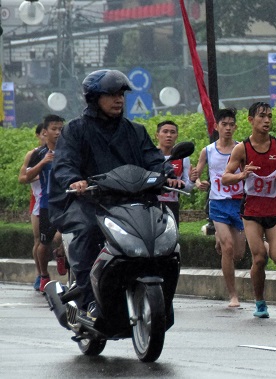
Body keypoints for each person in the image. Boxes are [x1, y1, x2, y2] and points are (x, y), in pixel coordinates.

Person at [49, 69, 184, 319]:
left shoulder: (135, 130)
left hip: (133, 201)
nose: (119, 99)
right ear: (94, 98)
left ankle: (162, 297)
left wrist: (167, 173)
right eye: (111, 94)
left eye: (121, 93)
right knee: (88, 231)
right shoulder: (76, 130)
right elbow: (65, 163)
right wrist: (74, 180)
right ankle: (89, 301)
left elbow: (153, 158)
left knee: (162, 230)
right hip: (91, 202)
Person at [221, 102, 276, 318]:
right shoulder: (242, 148)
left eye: (270, 116)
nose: (267, 120)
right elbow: (226, 177)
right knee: (260, 258)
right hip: (252, 210)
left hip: (274, 208)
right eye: (262, 116)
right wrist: (241, 176)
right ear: (251, 120)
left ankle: (261, 243)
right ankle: (260, 302)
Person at [192, 108, 246, 307]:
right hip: (217, 203)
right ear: (216, 126)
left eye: (232, 124)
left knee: (239, 253)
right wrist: (198, 182)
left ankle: (218, 239)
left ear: (236, 127)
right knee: (228, 248)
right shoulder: (208, 150)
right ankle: (233, 295)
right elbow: (196, 173)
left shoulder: (241, 148)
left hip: (238, 202)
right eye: (224, 124)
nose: (228, 128)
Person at [22, 115, 66, 292]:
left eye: (61, 129)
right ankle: (44, 275)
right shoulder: (37, 154)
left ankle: (62, 254)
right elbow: (24, 178)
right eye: (54, 129)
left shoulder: (69, 151)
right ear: (44, 132)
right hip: (48, 204)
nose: (58, 133)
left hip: (68, 202)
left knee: (68, 236)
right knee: (44, 242)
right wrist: (43, 163)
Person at [18, 123, 46, 290]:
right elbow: (22, 178)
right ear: (38, 135)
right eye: (43, 133)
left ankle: (60, 257)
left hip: (58, 199)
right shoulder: (33, 154)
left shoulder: (64, 152)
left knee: (59, 238)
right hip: (38, 200)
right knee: (38, 239)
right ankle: (40, 274)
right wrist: (36, 175)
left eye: (59, 130)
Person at [155, 120, 194, 223]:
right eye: (165, 131)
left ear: (177, 136)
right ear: (157, 135)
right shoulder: (149, 156)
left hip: (172, 205)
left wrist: (192, 180)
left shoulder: (183, 158)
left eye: (172, 132)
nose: (169, 135)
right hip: (151, 204)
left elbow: (187, 188)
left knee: (171, 237)